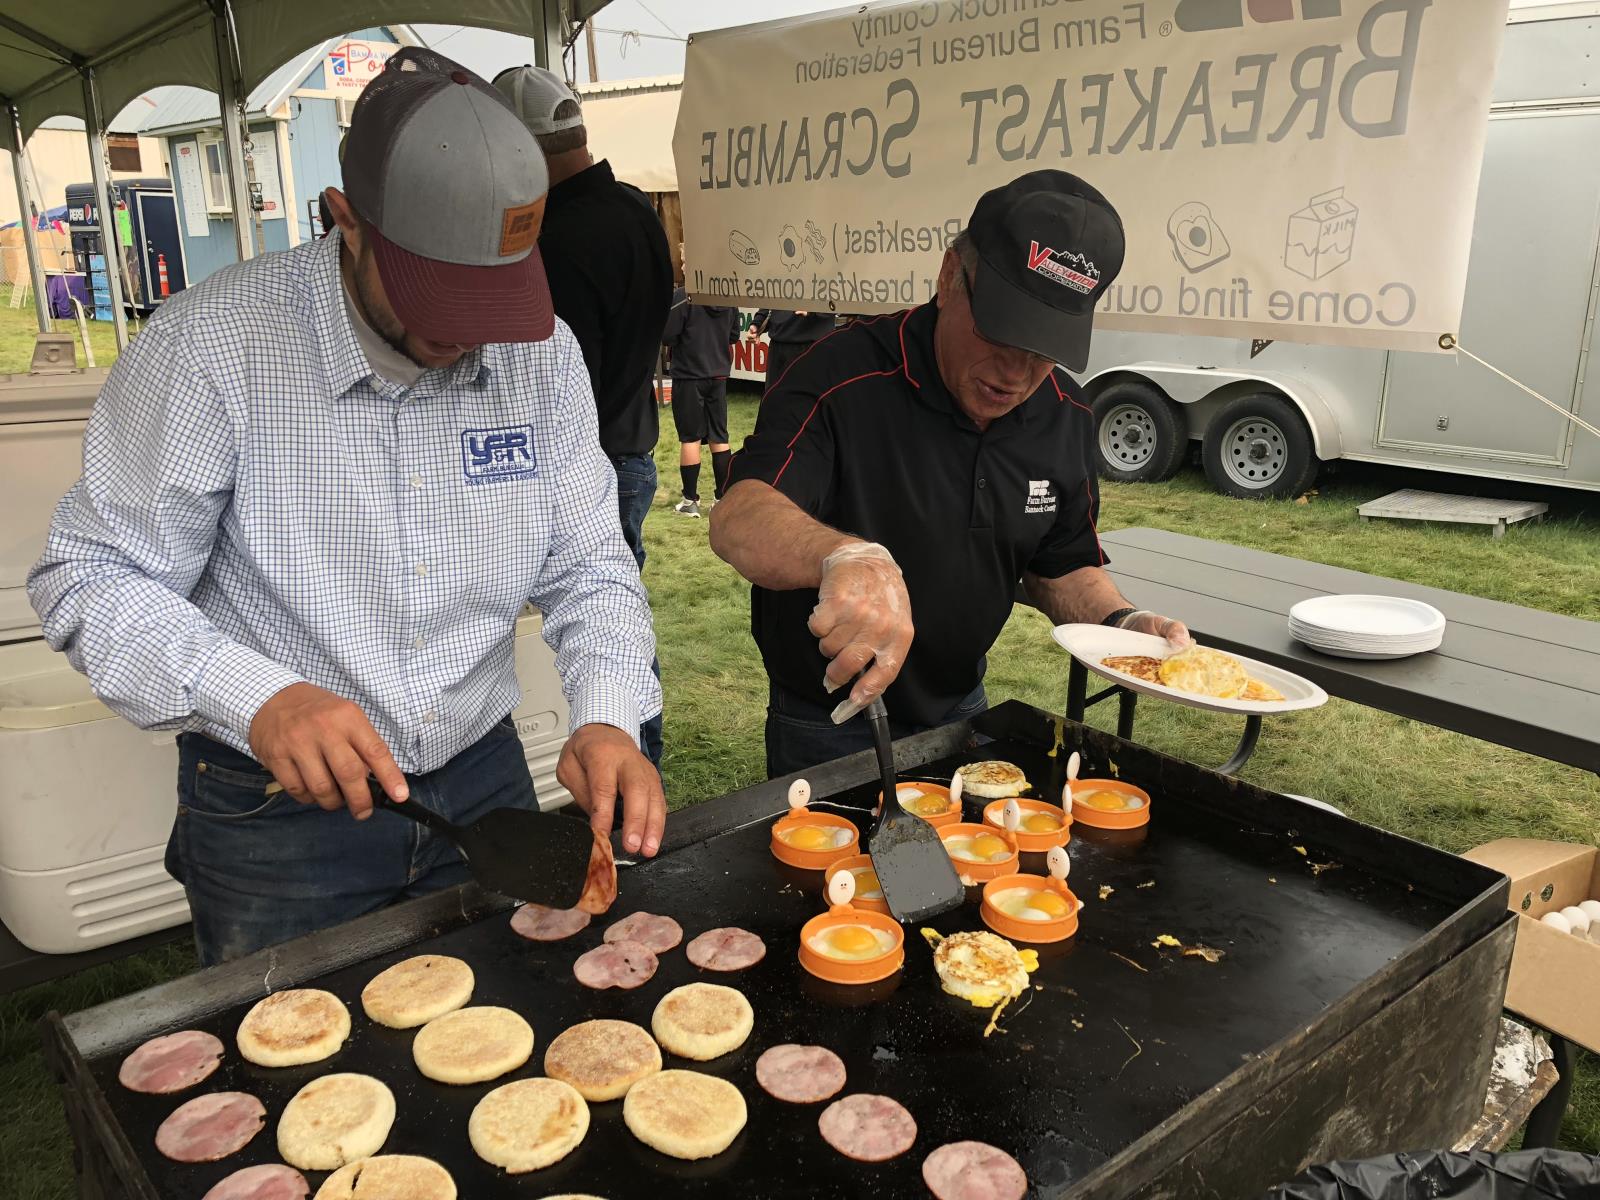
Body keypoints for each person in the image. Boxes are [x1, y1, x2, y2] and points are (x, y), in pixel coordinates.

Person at [27, 49, 664, 966]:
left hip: (482, 781)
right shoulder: (213, 348)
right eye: (440, 296)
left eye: (495, 295)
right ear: (347, 222)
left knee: (515, 1058)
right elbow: (89, 574)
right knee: (288, 1083)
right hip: (273, 812)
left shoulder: (543, 353)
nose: (468, 335)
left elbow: (590, 565)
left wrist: (607, 710)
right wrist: (258, 697)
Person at [710, 171, 1191, 776]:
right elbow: (740, 516)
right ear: (948, 278)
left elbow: (1061, 566)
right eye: (1000, 331)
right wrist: (845, 554)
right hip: (832, 719)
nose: (1015, 373)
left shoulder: (1065, 416)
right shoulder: (841, 376)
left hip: (963, 709)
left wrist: (1122, 624)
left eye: (1043, 350)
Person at [494, 64, 673, 767]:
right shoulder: (636, 211)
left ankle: (634, 757)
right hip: (631, 441)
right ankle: (637, 751)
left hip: (586, 457)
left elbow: (557, 381)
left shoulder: (558, 240)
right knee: (620, 609)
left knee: (603, 613)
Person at [662, 281, 740, 517]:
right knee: (720, 436)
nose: (683, 265)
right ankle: (721, 498)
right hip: (718, 374)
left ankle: (690, 500)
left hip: (689, 375)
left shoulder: (683, 296)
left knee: (690, 437)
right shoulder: (728, 294)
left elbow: (667, 335)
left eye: (685, 261)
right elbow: (734, 335)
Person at [747, 308, 836, 397]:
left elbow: (835, 302)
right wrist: (757, 323)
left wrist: (813, 310)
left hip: (813, 347)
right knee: (774, 401)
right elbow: (770, 301)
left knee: (809, 403)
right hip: (778, 347)